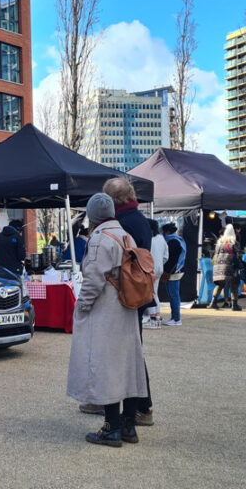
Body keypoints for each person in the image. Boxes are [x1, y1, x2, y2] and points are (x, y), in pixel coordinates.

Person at [66, 193, 148, 447]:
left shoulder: (101, 238)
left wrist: (81, 307)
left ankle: (111, 428)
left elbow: (92, 280)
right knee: (128, 366)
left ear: (92, 215)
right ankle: (128, 426)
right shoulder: (126, 235)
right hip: (127, 306)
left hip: (106, 309)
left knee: (107, 366)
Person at [101, 176, 156, 424]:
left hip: (123, 295)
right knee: (131, 351)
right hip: (136, 294)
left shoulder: (122, 224)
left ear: (112, 200)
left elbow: (115, 263)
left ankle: (141, 408)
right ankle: (138, 406)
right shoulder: (139, 219)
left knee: (125, 353)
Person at [210, 224, 243, 311]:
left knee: (220, 285)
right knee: (234, 285)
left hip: (219, 267)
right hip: (231, 267)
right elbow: (238, 256)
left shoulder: (218, 243)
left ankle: (213, 302)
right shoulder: (234, 243)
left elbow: (214, 256)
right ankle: (234, 305)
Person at [144, 219, 168, 327]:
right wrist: (160, 263)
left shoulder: (148, 238)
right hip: (159, 268)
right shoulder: (161, 238)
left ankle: (152, 318)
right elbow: (166, 256)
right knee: (154, 293)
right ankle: (156, 316)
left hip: (149, 269)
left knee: (149, 293)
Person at [160, 223, 186, 326]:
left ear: (167, 232)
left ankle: (176, 318)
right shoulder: (178, 239)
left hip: (173, 272)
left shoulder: (173, 242)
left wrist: (166, 272)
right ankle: (174, 317)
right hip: (177, 270)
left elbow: (171, 260)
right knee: (174, 295)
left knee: (173, 295)